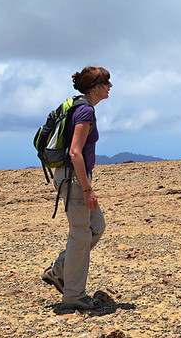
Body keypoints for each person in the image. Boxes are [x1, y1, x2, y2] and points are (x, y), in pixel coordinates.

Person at [41, 66, 112, 310]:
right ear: (94, 87)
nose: (110, 87)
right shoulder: (85, 111)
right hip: (73, 179)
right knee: (81, 234)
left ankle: (58, 270)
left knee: (96, 227)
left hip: (71, 178)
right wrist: (87, 189)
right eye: (106, 82)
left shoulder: (78, 106)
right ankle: (73, 294)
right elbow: (75, 152)